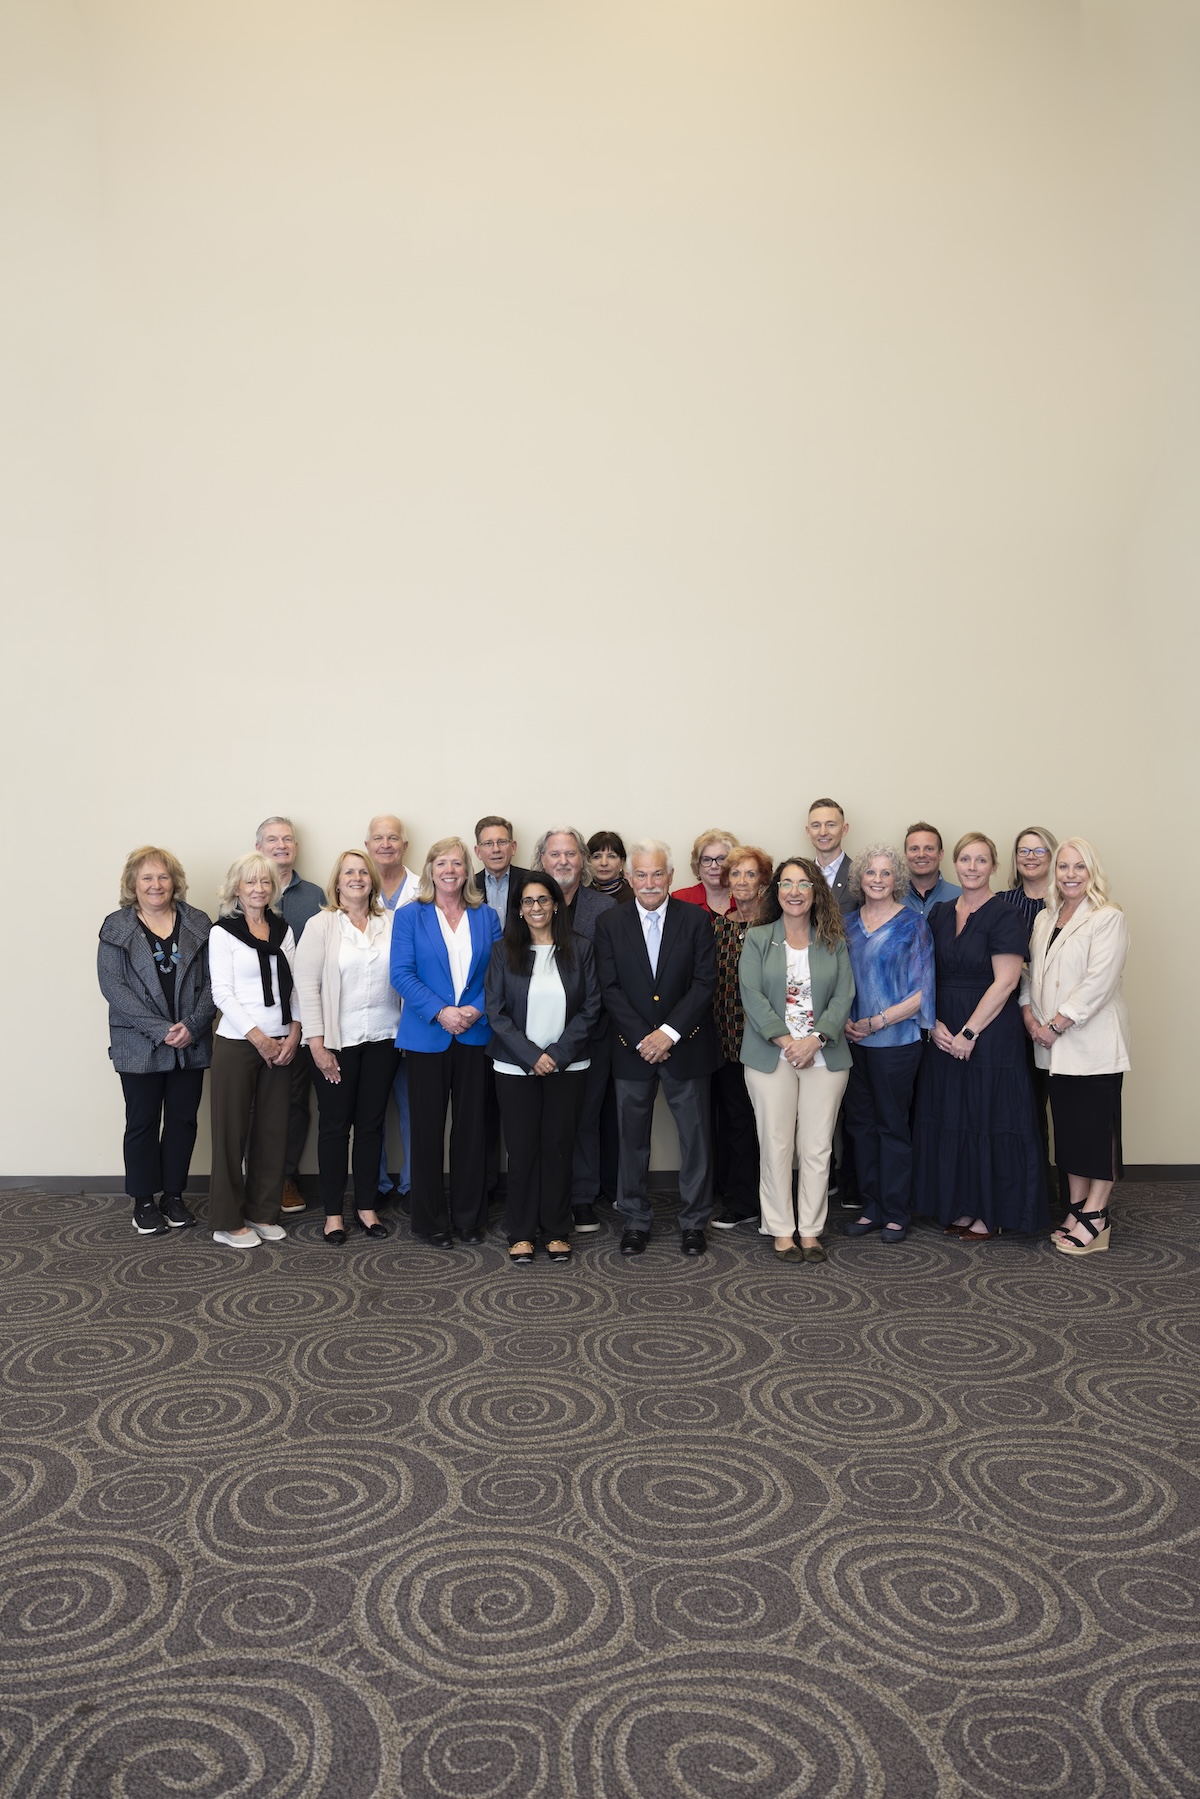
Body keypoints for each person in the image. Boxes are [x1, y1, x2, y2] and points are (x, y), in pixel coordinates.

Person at [912, 832, 1048, 1240]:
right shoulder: (937, 914)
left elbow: (1006, 982)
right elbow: (924, 974)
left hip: (988, 1032)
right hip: (942, 1030)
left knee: (986, 1118)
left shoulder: (1005, 914)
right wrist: (933, 1023)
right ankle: (960, 1204)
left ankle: (991, 1212)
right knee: (952, 1115)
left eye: (981, 860)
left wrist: (969, 1032)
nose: (972, 867)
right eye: (965, 860)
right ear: (955, 864)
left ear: (993, 867)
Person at [594, 839, 720, 1257]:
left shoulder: (696, 921)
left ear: (671, 877)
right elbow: (609, 988)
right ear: (630, 878)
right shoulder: (610, 923)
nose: (649, 882)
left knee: (695, 1138)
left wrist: (668, 1033)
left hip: (685, 1047)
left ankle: (694, 1222)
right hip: (631, 1049)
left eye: (657, 873)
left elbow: (705, 984)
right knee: (631, 1140)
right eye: (641, 874)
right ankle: (635, 1219)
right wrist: (644, 1038)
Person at [739, 858, 854, 1263]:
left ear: (815, 892)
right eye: (786, 883)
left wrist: (816, 1039)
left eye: (803, 884)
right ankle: (780, 1228)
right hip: (771, 1054)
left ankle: (810, 1229)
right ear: (776, 892)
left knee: (817, 1146)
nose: (794, 891)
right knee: (775, 1143)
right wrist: (789, 1041)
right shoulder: (758, 938)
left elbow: (844, 995)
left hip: (824, 1055)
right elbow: (751, 995)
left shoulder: (833, 940)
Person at [97, 846, 215, 1236]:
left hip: (191, 1041)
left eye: (163, 877)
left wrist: (193, 1025)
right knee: (142, 1122)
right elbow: (114, 988)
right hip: (140, 1043)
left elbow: (217, 983)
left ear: (174, 882)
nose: (156, 884)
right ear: (133, 883)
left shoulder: (198, 922)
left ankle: (174, 1196)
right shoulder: (116, 927)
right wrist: (162, 1029)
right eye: (146, 877)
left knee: (183, 1120)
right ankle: (144, 1201)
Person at [390, 837, 502, 1246]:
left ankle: (470, 1218)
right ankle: (431, 1221)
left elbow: (498, 973)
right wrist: (441, 1011)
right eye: (442, 863)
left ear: (466, 870)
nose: (450, 870)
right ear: (430, 869)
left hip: (475, 1034)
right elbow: (401, 974)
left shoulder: (486, 915)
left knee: (472, 1130)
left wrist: (474, 1009)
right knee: (425, 1130)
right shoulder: (409, 916)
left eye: (457, 863)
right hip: (426, 1035)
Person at [1021, 839, 1130, 1256]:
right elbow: (1032, 976)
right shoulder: (1047, 918)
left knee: (1098, 1130)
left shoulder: (1108, 917)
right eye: (1063, 867)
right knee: (1070, 1132)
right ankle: (1077, 1207)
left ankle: (1097, 1216)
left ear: (1092, 871)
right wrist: (1030, 1015)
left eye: (1078, 867)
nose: (1069, 874)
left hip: (1091, 1041)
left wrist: (1057, 1023)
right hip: (1051, 1044)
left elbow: (1098, 982)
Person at [485, 873, 601, 1263]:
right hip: (516, 1068)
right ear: (518, 909)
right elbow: (496, 1011)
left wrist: (557, 1053)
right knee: (522, 1151)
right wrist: (532, 1055)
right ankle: (520, 1232)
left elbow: (591, 1008)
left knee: (558, 1147)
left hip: (568, 1066)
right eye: (528, 902)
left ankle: (555, 1230)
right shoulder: (503, 951)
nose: (536, 908)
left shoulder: (581, 949)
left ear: (556, 904)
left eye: (543, 900)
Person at [294, 850, 400, 1245]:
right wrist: (317, 1046)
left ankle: (367, 1207)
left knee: (372, 1127)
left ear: (372, 880)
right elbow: (306, 988)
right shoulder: (321, 925)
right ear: (337, 882)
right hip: (336, 1044)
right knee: (335, 1128)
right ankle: (334, 1213)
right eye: (348, 872)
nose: (356, 878)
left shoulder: (390, 922)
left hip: (384, 1038)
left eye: (362, 872)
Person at [207, 851, 301, 1249]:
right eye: (250, 882)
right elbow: (221, 992)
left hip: (282, 1044)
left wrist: (295, 1033)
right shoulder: (223, 932)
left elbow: (295, 987)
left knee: (273, 1130)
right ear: (236, 889)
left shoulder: (283, 930)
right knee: (231, 1133)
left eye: (265, 882)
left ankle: (263, 1213)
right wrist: (258, 1037)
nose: (258, 889)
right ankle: (227, 1221)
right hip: (238, 1042)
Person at [842, 846, 934, 1243]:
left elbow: (923, 992)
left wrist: (880, 1020)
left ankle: (896, 1211)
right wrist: (843, 1020)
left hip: (896, 1043)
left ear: (896, 879)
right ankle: (871, 1207)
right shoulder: (845, 925)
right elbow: (834, 980)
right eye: (870, 873)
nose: (877, 879)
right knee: (860, 1127)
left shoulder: (913, 924)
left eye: (885, 873)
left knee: (892, 1126)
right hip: (852, 1041)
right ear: (859, 878)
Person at [533, 825, 618, 1232]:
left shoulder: (604, 909)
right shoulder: (528, 904)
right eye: (555, 854)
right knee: (540, 1121)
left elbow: (607, 977)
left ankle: (582, 1196)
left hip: (589, 1033)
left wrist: (579, 1030)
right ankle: (546, 1195)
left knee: (583, 1118)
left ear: (582, 861)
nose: (563, 861)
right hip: (533, 1038)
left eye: (570, 854)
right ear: (542, 860)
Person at [256, 817, 324, 1215]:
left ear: (295, 846)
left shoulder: (314, 894)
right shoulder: (240, 889)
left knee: (296, 1101)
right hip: (252, 1022)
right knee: (253, 1103)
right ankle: (256, 1177)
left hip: (301, 1017)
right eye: (272, 839)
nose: (280, 845)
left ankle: (285, 1176)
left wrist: (301, 1025)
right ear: (259, 846)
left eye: (287, 839)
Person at [707, 846, 773, 1232]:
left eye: (751, 875)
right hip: (724, 1038)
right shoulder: (717, 925)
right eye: (736, 875)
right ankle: (739, 1199)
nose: (743, 882)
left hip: (765, 1040)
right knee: (734, 1121)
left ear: (764, 881)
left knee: (767, 1124)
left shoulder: (776, 927)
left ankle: (763, 1199)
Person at [365, 814, 419, 1208]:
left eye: (393, 838)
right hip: (373, 1022)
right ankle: (377, 1184)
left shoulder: (425, 889)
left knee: (416, 1108)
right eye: (378, 838)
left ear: (405, 845)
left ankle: (416, 1184)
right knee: (371, 1111)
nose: (386, 844)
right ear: (367, 845)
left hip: (416, 1020)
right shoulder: (356, 891)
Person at [1001, 826, 1059, 932]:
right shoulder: (1000, 902)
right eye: (1023, 851)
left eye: (1039, 851)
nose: (1030, 857)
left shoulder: (1066, 904)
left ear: (1052, 857)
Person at [473, 816, 529, 926]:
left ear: (513, 847)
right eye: (488, 843)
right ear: (478, 851)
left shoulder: (530, 881)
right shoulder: (467, 886)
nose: (496, 849)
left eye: (502, 842)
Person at [805, 799, 855, 916]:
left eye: (831, 825)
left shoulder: (859, 875)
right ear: (808, 831)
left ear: (844, 829)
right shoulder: (802, 876)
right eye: (816, 825)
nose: (823, 832)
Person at [672, 830, 740, 913]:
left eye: (721, 859)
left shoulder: (746, 896)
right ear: (697, 865)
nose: (714, 866)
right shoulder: (680, 900)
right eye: (707, 860)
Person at [902, 822, 961, 918]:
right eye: (914, 849)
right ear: (905, 855)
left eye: (929, 848)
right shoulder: (891, 897)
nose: (921, 855)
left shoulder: (960, 897)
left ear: (940, 854)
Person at [587, 831, 634, 905]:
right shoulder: (579, 895)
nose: (604, 863)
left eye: (611, 856)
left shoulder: (633, 898)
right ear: (588, 861)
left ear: (622, 862)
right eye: (597, 856)